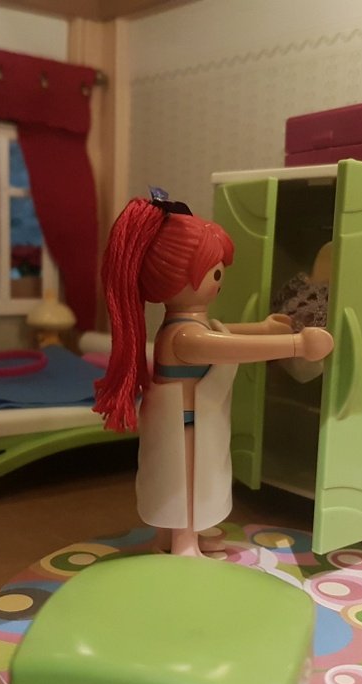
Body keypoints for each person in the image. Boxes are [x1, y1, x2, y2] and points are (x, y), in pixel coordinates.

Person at [94, 196, 333, 556]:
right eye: (216, 273)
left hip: (191, 423)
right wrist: (296, 345)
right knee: (185, 485)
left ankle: (171, 538)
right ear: (178, 278)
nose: (220, 281)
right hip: (183, 428)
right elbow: (226, 347)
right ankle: (183, 543)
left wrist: (264, 328)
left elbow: (222, 334)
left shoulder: (187, 327)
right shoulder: (184, 336)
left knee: (193, 482)